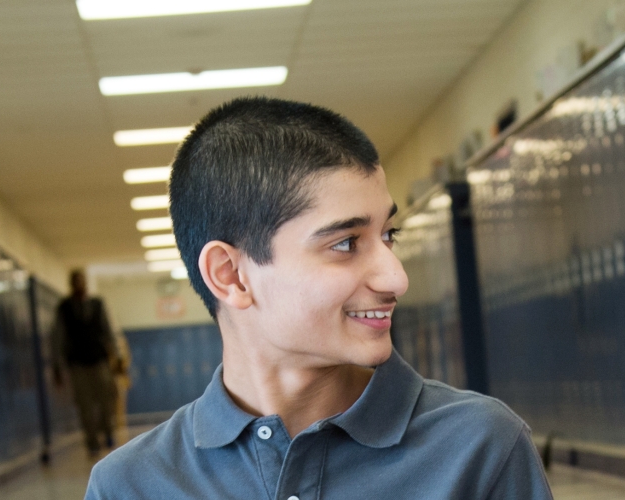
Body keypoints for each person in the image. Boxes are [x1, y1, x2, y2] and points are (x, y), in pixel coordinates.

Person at [87, 97, 550, 499]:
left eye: (389, 234)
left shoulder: (479, 447)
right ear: (231, 277)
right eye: (345, 243)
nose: (396, 277)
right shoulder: (129, 486)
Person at [54, 268, 126, 457]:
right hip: (77, 364)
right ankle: (92, 442)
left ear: (85, 283)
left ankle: (108, 433)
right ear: (71, 285)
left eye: (82, 281)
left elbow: (108, 330)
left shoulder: (97, 304)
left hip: (100, 360)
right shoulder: (65, 308)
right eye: (75, 281)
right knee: (84, 405)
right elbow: (59, 338)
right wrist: (57, 366)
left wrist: (118, 356)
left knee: (107, 400)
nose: (79, 285)